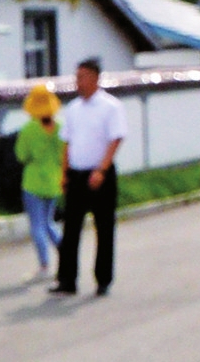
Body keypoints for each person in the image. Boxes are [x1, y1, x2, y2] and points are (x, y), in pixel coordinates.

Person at [52, 57, 126, 296]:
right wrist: (64, 174)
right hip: (76, 174)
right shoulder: (73, 109)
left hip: (100, 174)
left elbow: (116, 139)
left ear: (95, 78)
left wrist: (101, 170)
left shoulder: (110, 106)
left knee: (103, 228)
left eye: (82, 77)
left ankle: (103, 279)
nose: (78, 82)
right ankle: (67, 279)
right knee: (70, 228)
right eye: (77, 77)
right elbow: (67, 142)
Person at [14, 83, 64, 283]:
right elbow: (64, 155)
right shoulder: (60, 128)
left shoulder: (28, 129)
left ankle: (44, 265)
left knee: (37, 225)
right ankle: (65, 252)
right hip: (54, 181)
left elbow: (21, 155)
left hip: (33, 182)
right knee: (49, 222)